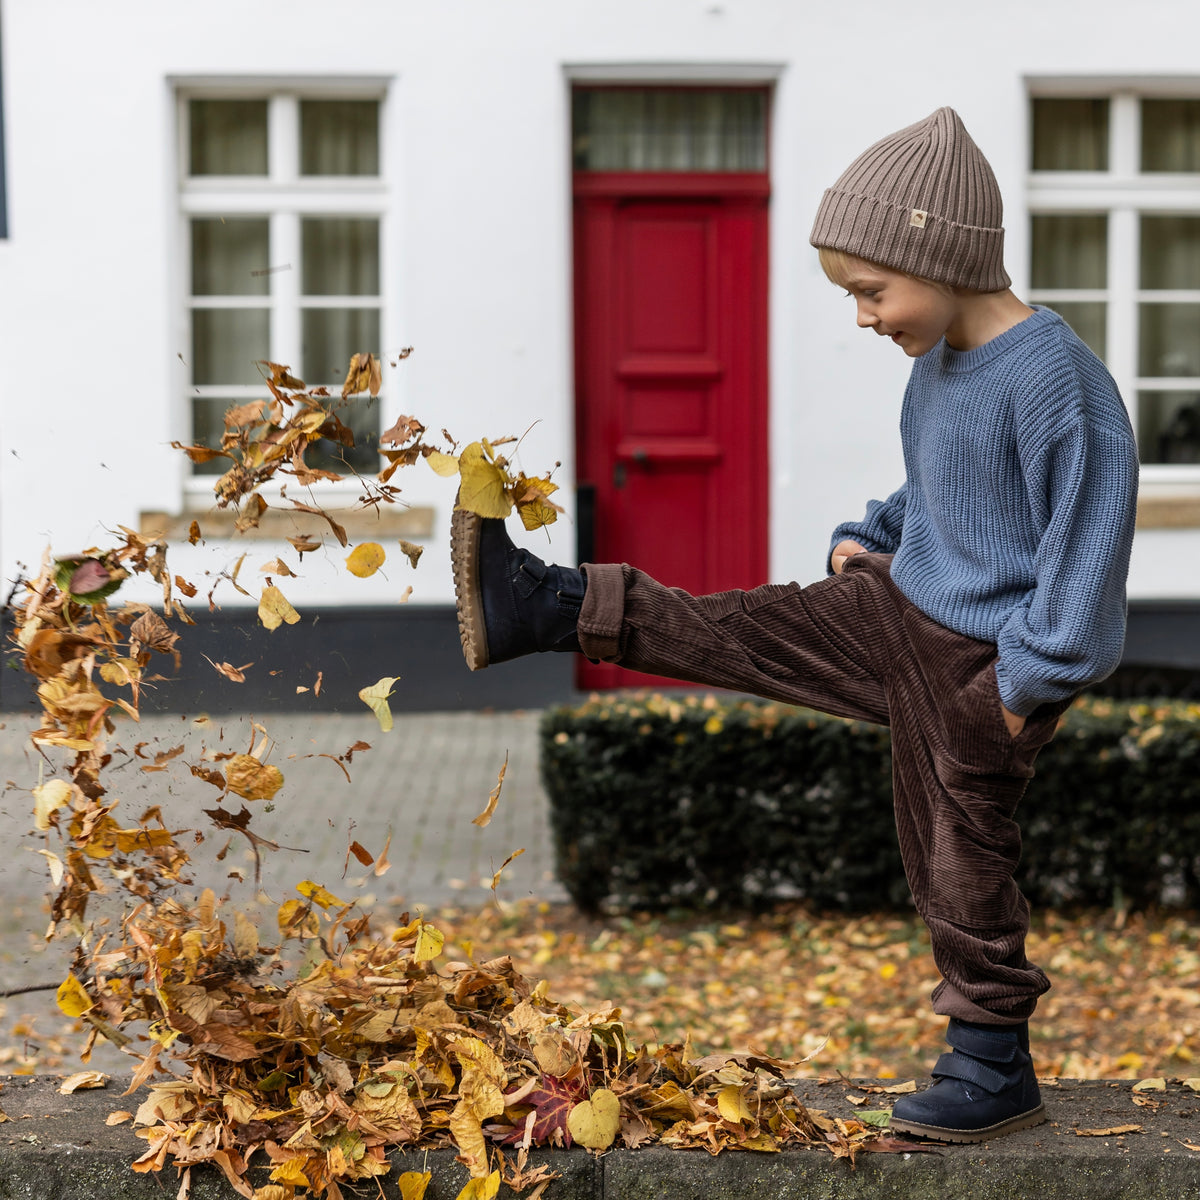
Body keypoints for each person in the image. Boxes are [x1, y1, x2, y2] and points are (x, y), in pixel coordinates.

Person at [449, 107, 1139, 1142]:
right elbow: (937, 489)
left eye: (871, 291)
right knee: (738, 627)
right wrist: (876, 532)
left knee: (957, 850)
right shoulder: (938, 364)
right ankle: (541, 604)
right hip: (901, 608)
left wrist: (1017, 691)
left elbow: (1085, 558)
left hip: (984, 666)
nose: (862, 316)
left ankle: (993, 1065)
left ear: (940, 256)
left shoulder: (1060, 385)